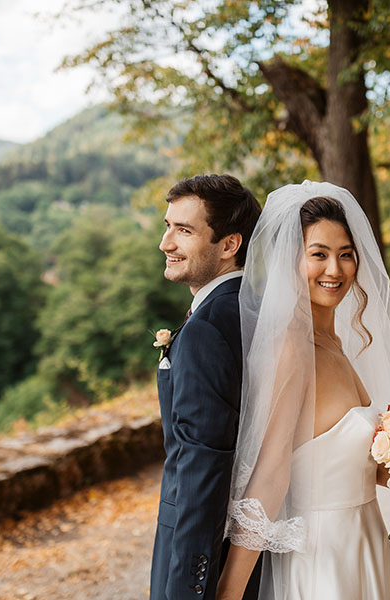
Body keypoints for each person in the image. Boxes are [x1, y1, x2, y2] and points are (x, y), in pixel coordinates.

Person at [217, 181, 390, 600]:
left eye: (345, 254)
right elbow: (270, 475)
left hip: (361, 541)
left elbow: (347, 461)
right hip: (319, 557)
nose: (335, 269)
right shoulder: (291, 350)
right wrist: (230, 591)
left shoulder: (337, 346)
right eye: (319, 254)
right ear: (290, 262)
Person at [150, 174, 264, 600]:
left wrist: (189, 586)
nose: (166, 243)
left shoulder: (208, 328)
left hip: (204, 556)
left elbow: (203, 467)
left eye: (184, 230)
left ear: (229, 245)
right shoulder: (254, 312)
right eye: (168, 226)